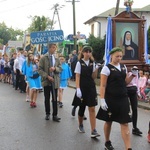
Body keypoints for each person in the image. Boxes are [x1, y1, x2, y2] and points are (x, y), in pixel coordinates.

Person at [96, 47, 136, 150]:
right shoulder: (106, 68)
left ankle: (128, 148)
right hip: (111, 98)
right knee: (109, 121)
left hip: (122, 98)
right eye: (117, 56)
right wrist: (102, 99)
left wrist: (133, 75)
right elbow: (103, 85)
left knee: (125, 122)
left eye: (120, 56)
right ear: (111, 56)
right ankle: (107, 141)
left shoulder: (123, 67)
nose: (119, 58)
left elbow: (125, 82)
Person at [72, 46, 100, 138]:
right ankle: (80, 124)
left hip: (91, 87)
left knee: (92, 108)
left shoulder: (93, 63)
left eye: (89, 52)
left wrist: (96, 69)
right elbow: (78, 76)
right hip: (82, 87)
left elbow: (93, 77)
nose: (88, 53)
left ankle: (93, 130)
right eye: (86, 52)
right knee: (82, 107)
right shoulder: (79, 63)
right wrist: (78, 88)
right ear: (83, 53)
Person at [38, 43, 62, 122]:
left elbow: (60, 68)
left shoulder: (57, 58)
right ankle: (47, 113)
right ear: (49, 48)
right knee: (47, 98)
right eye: (53, 48)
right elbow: (40, 70)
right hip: (47, 81)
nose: (54, 49)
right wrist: (47, 76)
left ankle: (55, 115)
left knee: (55, 98)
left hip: (55, 81)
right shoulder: (43, 58)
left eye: (55, 48)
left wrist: (55, 69)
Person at [126, 66, 142, 136]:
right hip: (126, 89)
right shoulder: (125, 67)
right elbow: (125, 81)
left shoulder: (135, 68)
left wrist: (138, 92)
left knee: (135, 109)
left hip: (133, 89)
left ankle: (134, 127)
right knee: (126, 109)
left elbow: (137, 81)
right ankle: (124, 125)